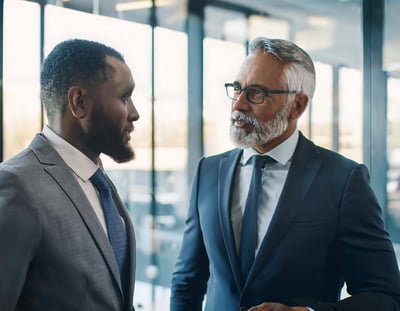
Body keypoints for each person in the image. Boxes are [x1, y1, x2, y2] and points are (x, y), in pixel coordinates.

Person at [170, 37, 400, 311]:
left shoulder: (343, 180)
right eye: (237, 89)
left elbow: (385, 297)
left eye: (256, 93)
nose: (238, 105)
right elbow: (187, 283)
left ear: (298, 105)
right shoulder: (208, 171)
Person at [0, 38, 139, 311]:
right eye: (124, 97)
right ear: (79, 102)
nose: (134, 113)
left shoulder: (98, 180)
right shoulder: (16, 186)